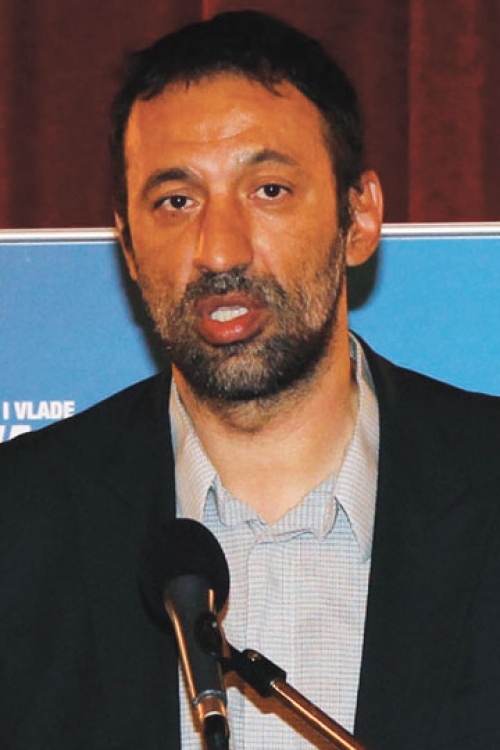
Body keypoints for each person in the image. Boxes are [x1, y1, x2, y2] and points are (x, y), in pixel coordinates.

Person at [1, 10, 499, 750]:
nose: (219, 250)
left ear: (359, 217)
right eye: (177, 201)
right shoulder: (19, 525)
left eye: (268, 190)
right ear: (128, 247)